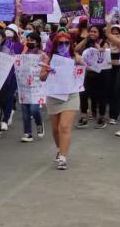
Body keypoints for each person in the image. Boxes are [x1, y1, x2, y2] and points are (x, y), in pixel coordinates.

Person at [38, 32, 85, 170]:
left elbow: (86, 66)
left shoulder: (74, 57)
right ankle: (60, 148)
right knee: (55, 129)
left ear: (70, 44)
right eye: (60, 43)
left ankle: (63, 157)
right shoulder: (50, 58)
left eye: (66, 43)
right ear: (55, 44)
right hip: (54, 96)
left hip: (71, 95)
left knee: (64, 127)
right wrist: (47, 71)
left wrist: (82, 62)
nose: (63, 45)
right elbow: (42, 77)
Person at [76, 26, 111, 129]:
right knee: (83, 94)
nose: (92, 33)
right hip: (89, 73)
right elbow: (76, 49)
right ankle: (83, 117)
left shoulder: (103, 42)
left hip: (102, 74)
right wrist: (86, 39)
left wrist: (100, 49)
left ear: (99, 33)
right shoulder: (87, 42)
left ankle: (101, 118)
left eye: (95, 32)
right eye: (91, 31)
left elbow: (106, 53)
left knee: (101, 96)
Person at [18, 32, 46, 142]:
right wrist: (23, 53)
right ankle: (28, 133)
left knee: (34, 109)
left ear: (37, 42)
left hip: (37, 86)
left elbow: (46, 67)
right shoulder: (24, 53)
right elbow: (18, 64)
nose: (29, 42)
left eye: (32, 40)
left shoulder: (42, 55)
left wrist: (44, 59)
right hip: (24, 85)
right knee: (25, 110)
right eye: (27, 40)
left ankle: (39, 123)